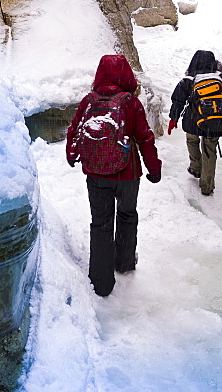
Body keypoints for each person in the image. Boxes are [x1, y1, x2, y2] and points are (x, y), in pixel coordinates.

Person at [66, 55, 161, 298]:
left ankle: (101, 282)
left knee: (100, 223)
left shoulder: (88, 101)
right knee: (127, 216)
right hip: (127, 174)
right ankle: (124, 262)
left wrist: (72, 154)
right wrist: (154, 167)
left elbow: (74, 129)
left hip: (95, 173)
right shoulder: (130, 102)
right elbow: (145, 138)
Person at [167, 49, 222, 196]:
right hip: (215, 122)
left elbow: (178, 101)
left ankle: (195, 168)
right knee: (209, 150)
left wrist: (173, 119)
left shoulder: (188, 80)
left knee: (192, 141)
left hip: (193, 121)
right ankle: (207, 186)